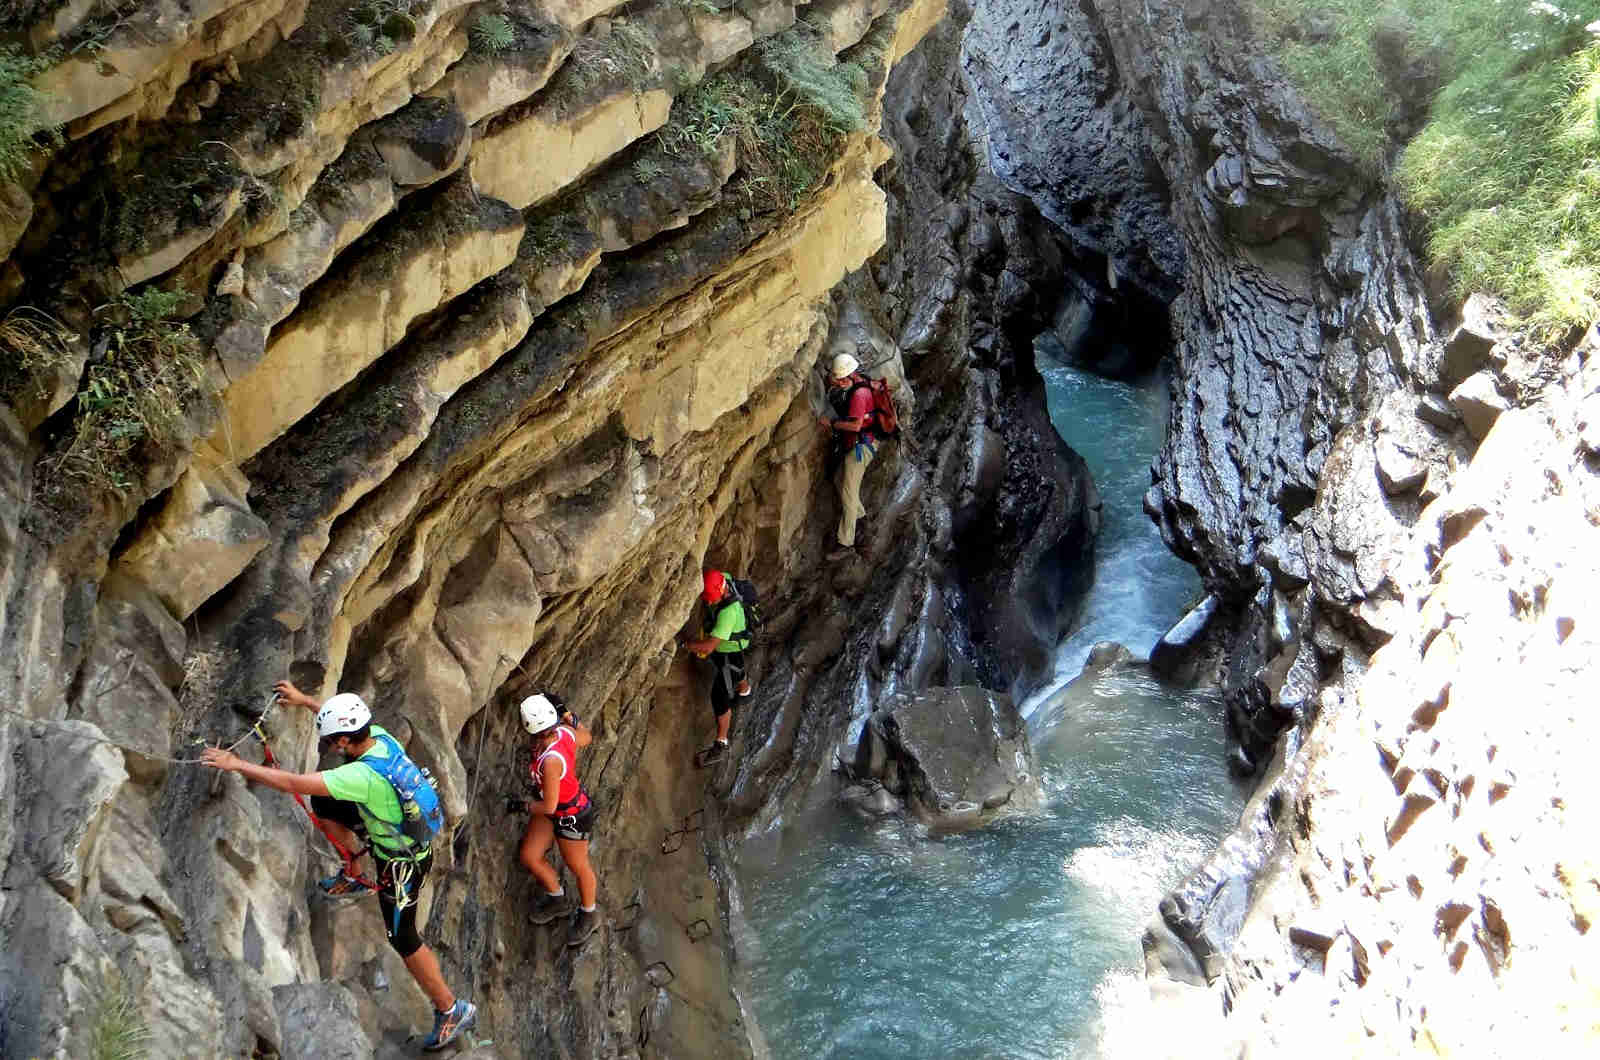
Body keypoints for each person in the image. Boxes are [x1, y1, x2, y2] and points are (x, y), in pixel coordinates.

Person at [201, 681, 476, 1052]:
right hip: (399, 827)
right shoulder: (380, 737)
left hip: (401, 864)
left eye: (332, 742)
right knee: (328, 808)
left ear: (345, 742)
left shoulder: (358, 777)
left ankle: (450, 1008)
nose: (330, 746)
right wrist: (304, 701)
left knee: (404, 938)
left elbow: (292, 782)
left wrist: (237, 764)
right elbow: (343, 723)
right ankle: (357, 875)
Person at [516, 693, 602, 947]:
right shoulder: (564, 732)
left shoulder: (551, 761)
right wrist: (567, 714)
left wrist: (523, 806)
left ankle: (590, 913)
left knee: (578, 867)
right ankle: (558, 898)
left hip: (569, 815)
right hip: (557, 810)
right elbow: (586, 736)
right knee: (530, 856)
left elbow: (549, 805)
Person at [682, 569, 750, 765]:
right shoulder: (725, 579)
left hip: (730, 653)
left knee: (719, 697)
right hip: (732, 650)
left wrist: (687, 645)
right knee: (736, 671)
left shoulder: (728, 613)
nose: (709, 602)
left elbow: (709, 646)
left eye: (711, 599)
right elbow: (717, 575)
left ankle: (721, 742)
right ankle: (744, 690)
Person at [819, 351, 881, 560]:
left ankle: (845, 542)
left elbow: (855, 425)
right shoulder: (858, 379)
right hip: (860, 443)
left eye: (839, 379)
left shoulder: (859, 395)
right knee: (840, 481)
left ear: (847, 377)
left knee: (848, 492)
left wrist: (832, 423)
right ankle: (861, 521)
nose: (837, 382)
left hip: (861, 448)